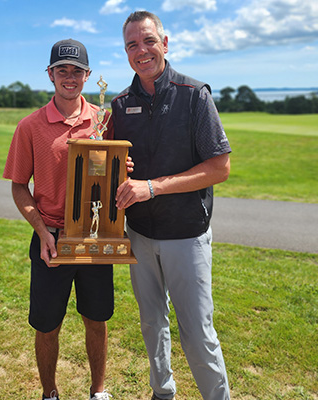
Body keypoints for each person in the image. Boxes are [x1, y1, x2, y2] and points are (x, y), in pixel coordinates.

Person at [113, 11, 232, 400]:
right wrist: (118, 168)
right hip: (139, 235)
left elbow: (219, 167)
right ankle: (162, 393)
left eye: (148, 41)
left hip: (186, 235)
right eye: (132, 44)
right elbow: (116, 165)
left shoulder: (194, 94)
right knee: (151, 325)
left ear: (165, 43)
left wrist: (151, 186)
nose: (141, 50)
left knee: (197, 333)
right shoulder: (120, 104)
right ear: (126, 52)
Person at [3, 39, 122, 400]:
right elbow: (19, 187)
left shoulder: (103, 119)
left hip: (94, 234)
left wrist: (124, 170)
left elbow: (112, 173)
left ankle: (98, 391)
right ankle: (50, 392)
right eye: (61, 70)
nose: (69, 77)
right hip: (51, 238)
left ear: (87, 76)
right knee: (47, 325)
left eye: (76, 71)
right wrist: (41, 231)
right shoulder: (30, 126)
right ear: (51, 74)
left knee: (97, 319)